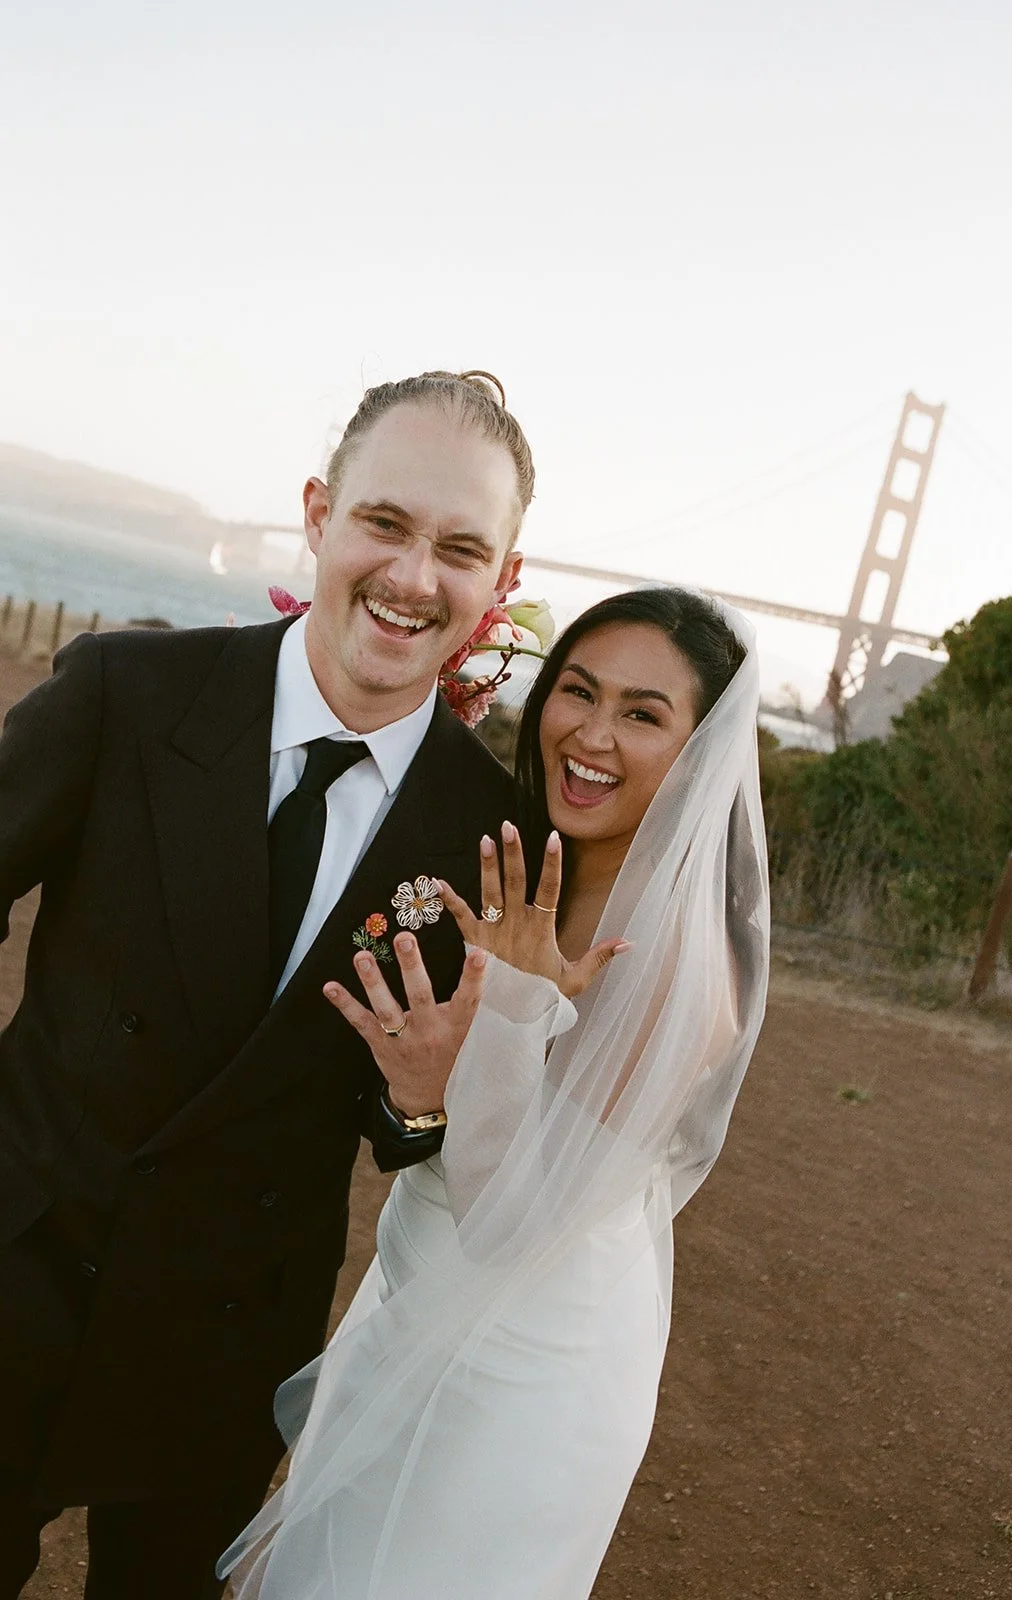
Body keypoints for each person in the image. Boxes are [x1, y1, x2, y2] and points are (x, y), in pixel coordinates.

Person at [0, 370, 535, 1598]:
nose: (411, 578)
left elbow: (409, 1133)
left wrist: (415, 1103)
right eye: (385, 523)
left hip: (223, 1350)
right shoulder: (124, 694)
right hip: (16, 1271)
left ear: (499, 582)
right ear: (317, 512)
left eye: (459, 548)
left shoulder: (483, 836)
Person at [220, 587, 771, 1600]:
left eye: (643, 714)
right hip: (417, 1296)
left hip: (526, 1367)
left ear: (699, 749)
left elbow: (515, 1222)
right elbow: (444, 1131)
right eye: (577, 691)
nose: (591, 734)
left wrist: (499, 1025)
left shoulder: (679, 972)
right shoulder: (516, 862)